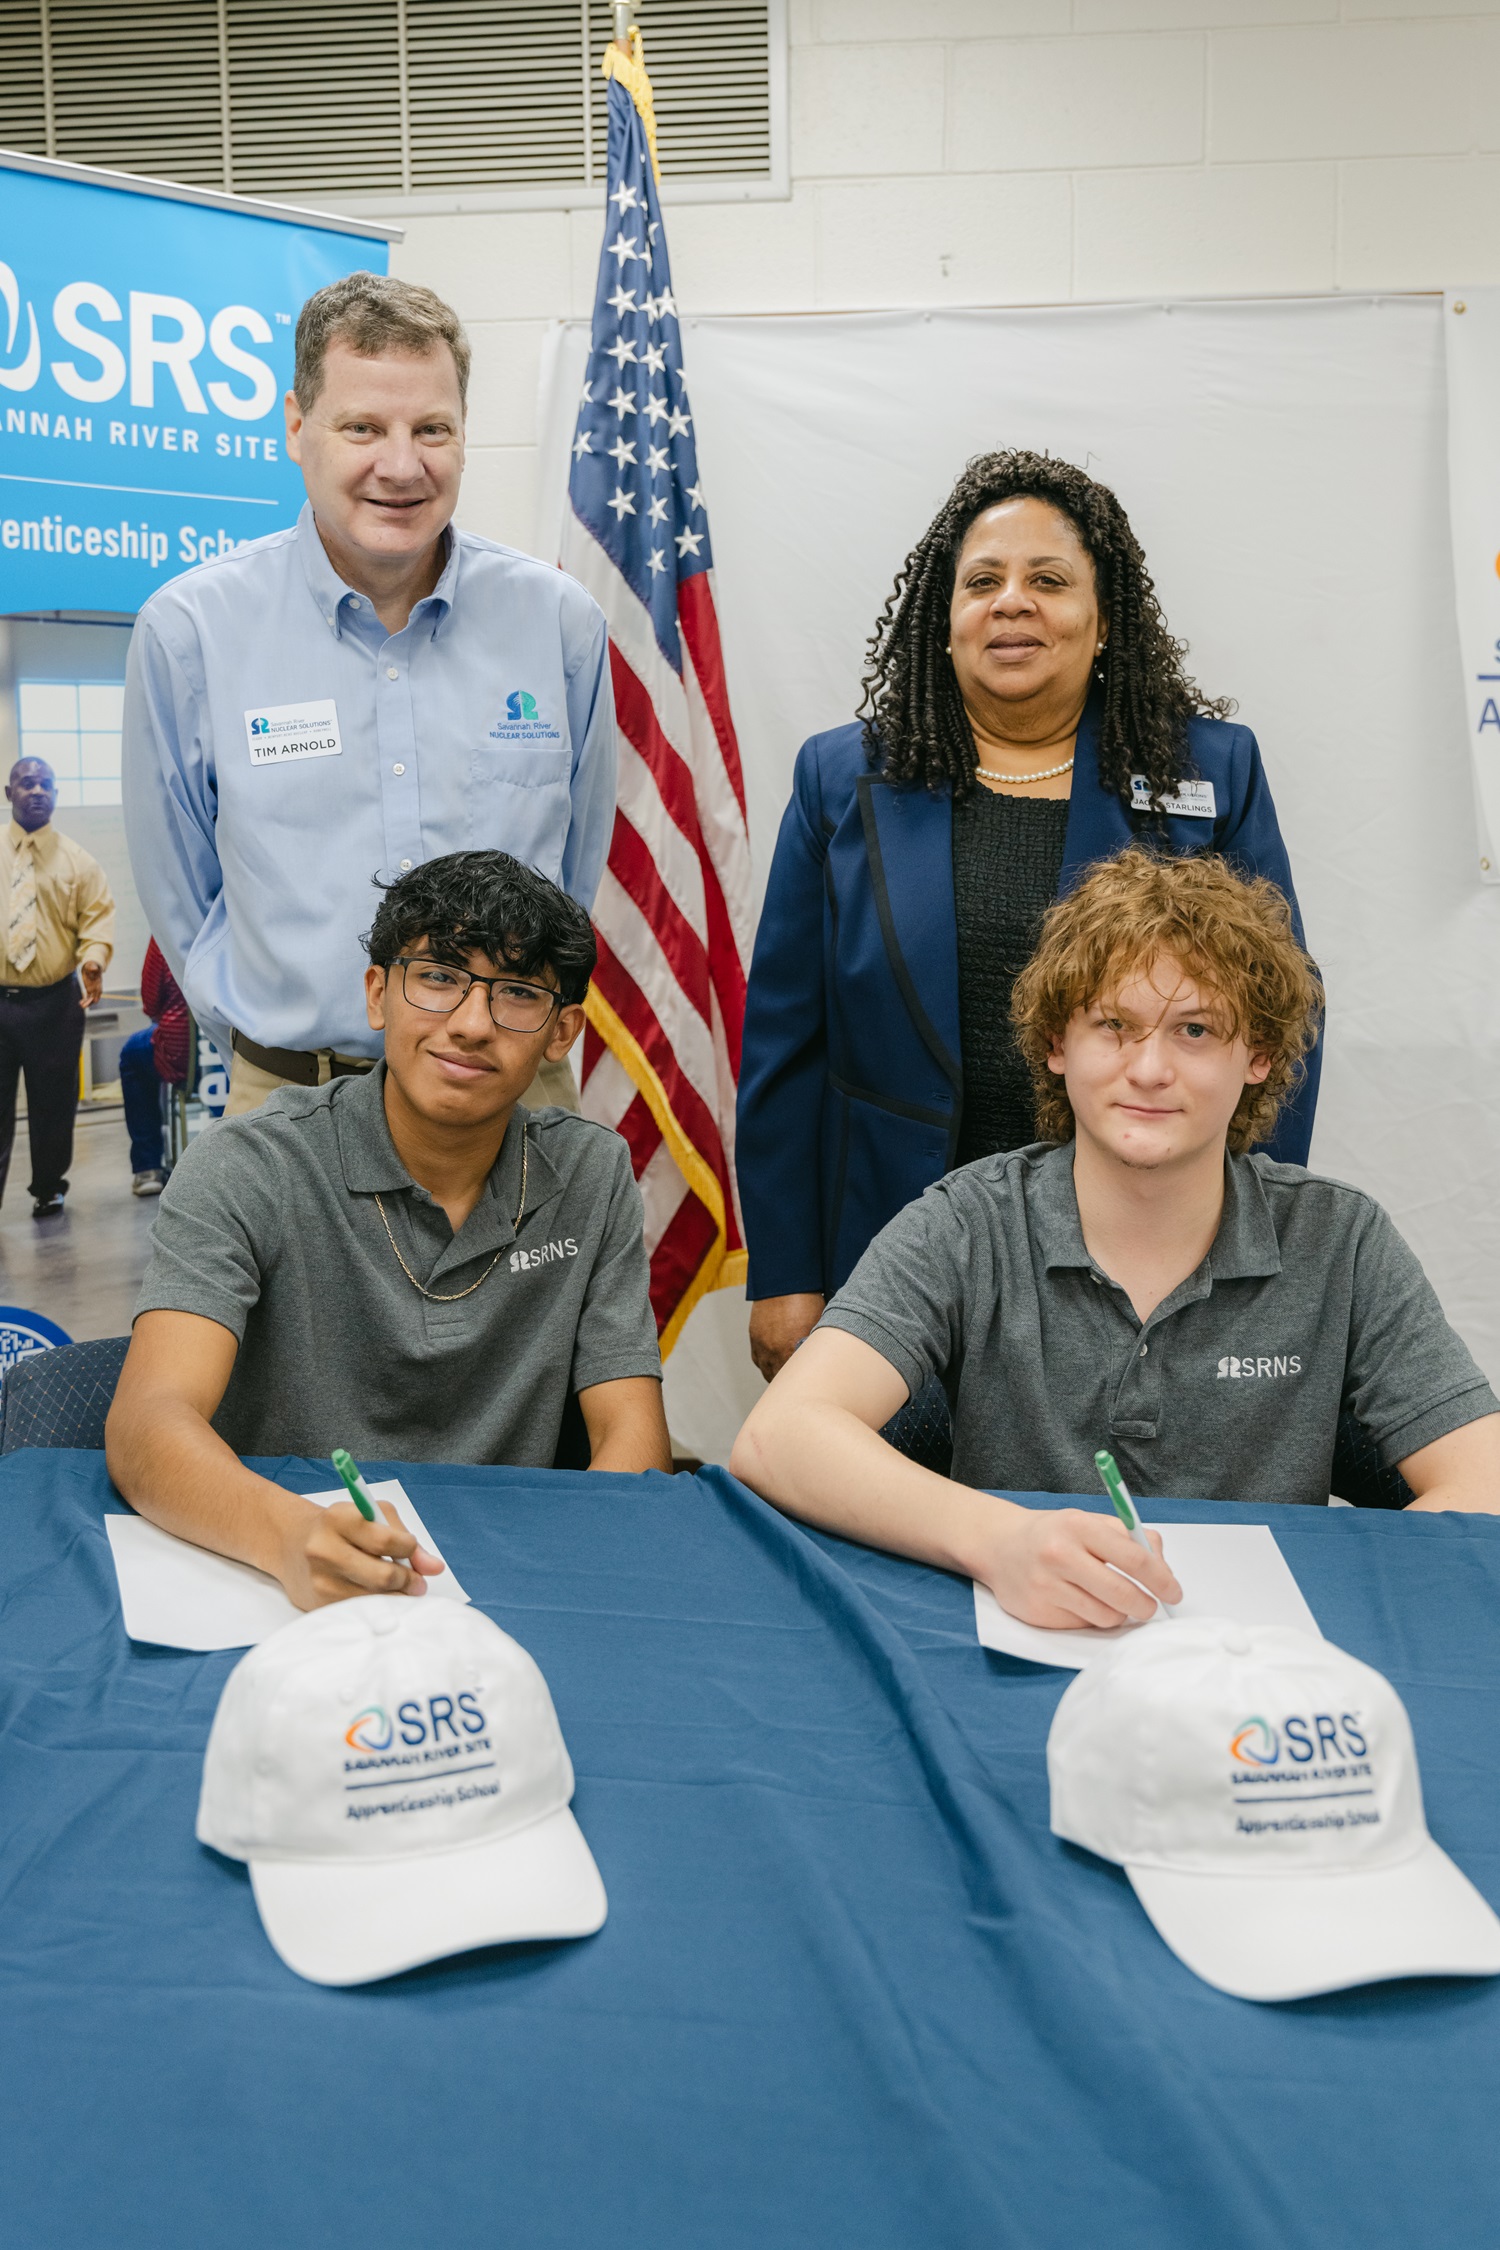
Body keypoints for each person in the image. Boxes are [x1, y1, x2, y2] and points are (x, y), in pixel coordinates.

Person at [729, 850, 1500, 1632]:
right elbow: (778, 1438)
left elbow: (1485, 1480)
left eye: (1195, 1029)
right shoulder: (965, 1221)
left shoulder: (1341, 1239)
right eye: (1114, 1027)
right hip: (1024, 1640)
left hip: (1259, 1676)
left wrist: (1308, 1608)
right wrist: (1000, 1541)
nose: (1151, 1069)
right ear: (1057, 1045)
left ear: (1259, 1057)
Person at [737, 451, 1319, 1386]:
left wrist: (1247, 1244)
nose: (1012, 602)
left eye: (1048, 580)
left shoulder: (1212, 773)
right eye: (983, 582)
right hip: (892, 1244)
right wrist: (787, 1267)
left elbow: (1282, 1022)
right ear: (946, 619)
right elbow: (785, 1045)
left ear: (1103, 621)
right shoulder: (839, 781)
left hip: (1143, 1247)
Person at [105, 851, 670, 1612]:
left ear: (562, 1031)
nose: (471, 1025)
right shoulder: (249, 1165)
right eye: (437, 978)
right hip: (274, 1570)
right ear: (379, 994)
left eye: (517, 994)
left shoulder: (592, 1174)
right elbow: (148, 1422)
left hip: (519, 1580)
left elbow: (633, 1443)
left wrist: (562, 1583)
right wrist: (286, 1535)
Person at [122, 271, 616, 1122]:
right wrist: (277, 1046)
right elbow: (181, 899)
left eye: (432, 429)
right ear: (296, 427)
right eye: (363, 427)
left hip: (510, 1097)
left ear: (464, 438)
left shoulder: (560, 625)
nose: (401, 465)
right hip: (290, 1102)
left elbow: (575, 870)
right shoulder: (190, 632)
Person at [0, 756, 114, 1219]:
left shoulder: (78, 861)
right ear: (9, 793)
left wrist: (93, 960)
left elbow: (98, 919)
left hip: (54, 1002)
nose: (38, 790)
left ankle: (48, 1188)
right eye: (27, 783)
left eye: (46, 784)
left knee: (53, 1105)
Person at [118, 937, 189, 1197]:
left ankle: (147, 1168)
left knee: (132, 1056)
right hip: (237, 1052)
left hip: (181, 1054)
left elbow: (150, 1002)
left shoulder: (166, 930)